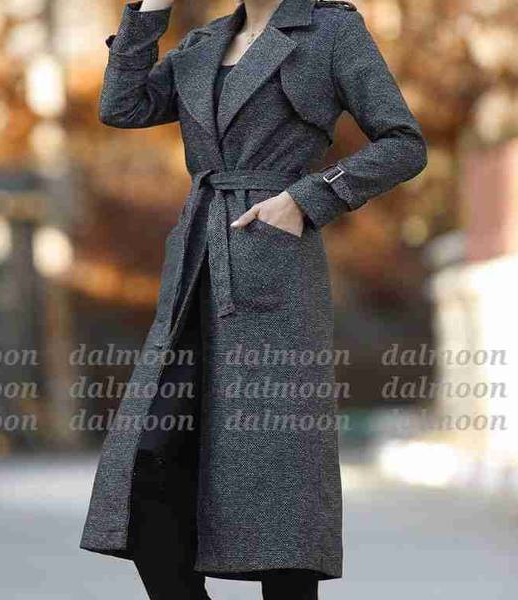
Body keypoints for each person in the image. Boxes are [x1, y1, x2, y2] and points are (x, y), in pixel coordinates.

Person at [81, 1, 427, 598]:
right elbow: (122, 106)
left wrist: (307, 199)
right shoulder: (204, 43)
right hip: (196, 270)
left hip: (275, 273)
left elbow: (404, 143)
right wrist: (150, 10)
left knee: (280, 483)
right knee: (147, 468)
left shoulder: (329, 31)